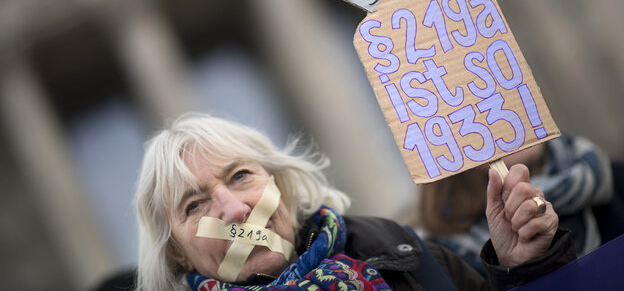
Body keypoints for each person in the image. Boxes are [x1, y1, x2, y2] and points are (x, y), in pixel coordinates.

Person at [133, 112, 575, 291]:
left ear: (280, 186)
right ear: (175, 249)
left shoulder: (397, 248)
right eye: (194, 206)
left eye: (240, 176)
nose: (232, 211)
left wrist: (525, 268)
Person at [415, 136, 613, 277]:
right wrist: (518, 271)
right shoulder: (438, 262)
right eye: (479, 110)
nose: (501, 114)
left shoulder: (609, 176)